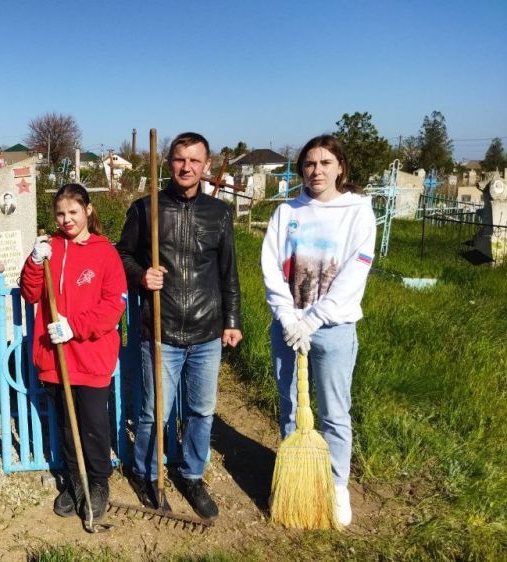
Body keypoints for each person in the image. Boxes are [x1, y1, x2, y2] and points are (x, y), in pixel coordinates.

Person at [115, 132, 242, 520]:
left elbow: (229, 273)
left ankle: (191, 474)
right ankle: (146, 472)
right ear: (169, 162)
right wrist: (141, 276)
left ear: (205, 165)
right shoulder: (146, 209)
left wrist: (232, 321)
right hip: (161, 329)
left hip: (206, 329)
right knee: (155, 411)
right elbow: (121, 255)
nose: (186, 167)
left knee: (201, 411)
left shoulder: (218, 214)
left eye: (194, 160)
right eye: (179, 159)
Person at [261, 134, 375, 527]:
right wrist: (289, 316)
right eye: (310, 164)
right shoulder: (287, 212)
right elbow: (271, 266)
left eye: (326, 163)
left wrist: (314, 318)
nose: (317, 171)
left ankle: (337, 485)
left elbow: (354, 272)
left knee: (333, 410)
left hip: (334, 329)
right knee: (290, 404)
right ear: (301, 170)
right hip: (288, 327)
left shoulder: (357, 211)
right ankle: (296, 480)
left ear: (340, 167)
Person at [20, 183, 127, 523]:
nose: (66, 219)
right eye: (60, 214)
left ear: (88, 210)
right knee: (66, 426)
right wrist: (36, 262)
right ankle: (74, 482)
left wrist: (74, 327)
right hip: (56, 358)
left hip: (91, 356)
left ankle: (97, 484)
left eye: (73, 212)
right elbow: (30, 292)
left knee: (93, 425)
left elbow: (113, 305)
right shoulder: (50, 248)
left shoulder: (104, 252)